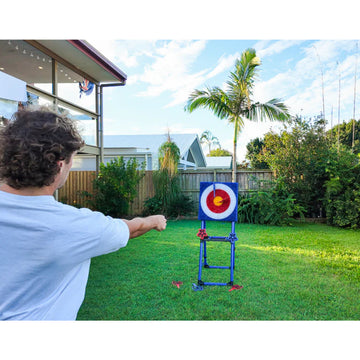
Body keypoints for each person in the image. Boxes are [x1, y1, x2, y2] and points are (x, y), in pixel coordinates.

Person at [0, 107, 167, 320]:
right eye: (72, 161)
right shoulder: (73, 226)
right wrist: (155, 220)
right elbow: (132, 229)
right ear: (59, 166)